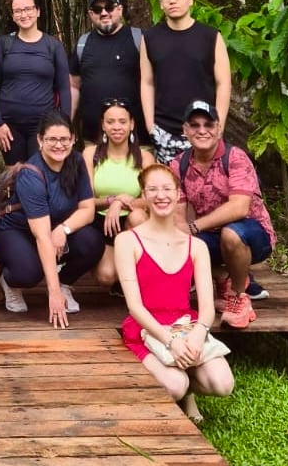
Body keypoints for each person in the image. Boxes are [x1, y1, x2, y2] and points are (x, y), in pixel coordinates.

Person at [115, 163, 234, 424]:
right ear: (144, 197)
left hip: (185, 326)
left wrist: (198, 333)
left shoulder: (197, 246)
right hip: (146, 328)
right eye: (153, 190)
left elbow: (206, 308)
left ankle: (189, 384)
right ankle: (181, 390)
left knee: (223, 383)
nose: (161, 195)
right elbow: (134, 306)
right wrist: (170, 341)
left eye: (167, 188)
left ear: (178, 194)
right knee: (174, 385)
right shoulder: (127, 241)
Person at [170, 100, 276, 329]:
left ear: (219, 128)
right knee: (174, 240)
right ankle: (224, 277)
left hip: (253, 235)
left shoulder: (235, 157)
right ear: (185, 130)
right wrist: (182, 234)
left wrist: (194, 227)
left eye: (208, 124)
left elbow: (239, 207)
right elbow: (177, 213)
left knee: (231, 233)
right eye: (195, 125)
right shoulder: (179, 164)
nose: (202, 130)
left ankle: (239, 297)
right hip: (211, 236)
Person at [0, 111, 104, 324]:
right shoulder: (31, 174)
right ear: (40, 140)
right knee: (29, 272)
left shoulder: (77, 161)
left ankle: (64, 283)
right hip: (17, 232)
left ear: (73, 139)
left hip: (54, 227)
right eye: (52, 139)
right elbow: (42, 236)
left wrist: (63, 229)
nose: (59, 145)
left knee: (93, 241)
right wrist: (52, 295)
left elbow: (88, 209)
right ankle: (9, 282)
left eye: (64, 139)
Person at [140, 0, 231, 164]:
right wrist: (151, 125)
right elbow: (147, 82)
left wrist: (218, 124)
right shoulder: (150, 38)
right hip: (164, 130)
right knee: (167, 190)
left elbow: (224, 83)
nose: (172, 1)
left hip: (203, 129)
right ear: (161, 4)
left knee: (204, 189)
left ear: (189, 0)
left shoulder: (211, 36)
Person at [0, 0, 70, 167]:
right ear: (12, 15)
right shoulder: (4, 44)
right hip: (9, 126)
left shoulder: (53, 46)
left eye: (28, 9)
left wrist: (64, 126)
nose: (23, 15)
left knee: (39, 173)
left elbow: (64, 88)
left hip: (42, 126)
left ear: (38, 11)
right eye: (18, 11)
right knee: (12, 175)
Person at [83, 99, 154, 288]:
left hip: (131, 222)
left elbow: (150, 200)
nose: (116, 127)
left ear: (131, 124)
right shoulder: (91, 154)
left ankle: (142, 282)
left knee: (139, 216)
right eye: (110, 121)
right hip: (102, 222)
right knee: (106, 276)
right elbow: (86, 199)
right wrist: (112, 200)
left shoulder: (144, 156)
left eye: (122, 122)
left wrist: (120, 203)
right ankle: (121, 278)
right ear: (103, 125)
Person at [69, 0, 147, 145]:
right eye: (97, 9)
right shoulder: (82, 44)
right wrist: (66, 121)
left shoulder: (140, 39)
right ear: (91, 14)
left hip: (136, 138)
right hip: (93, 138)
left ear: (119, 9)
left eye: (109, 7)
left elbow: (153, 83)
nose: (104, 13)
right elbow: (73, 86)